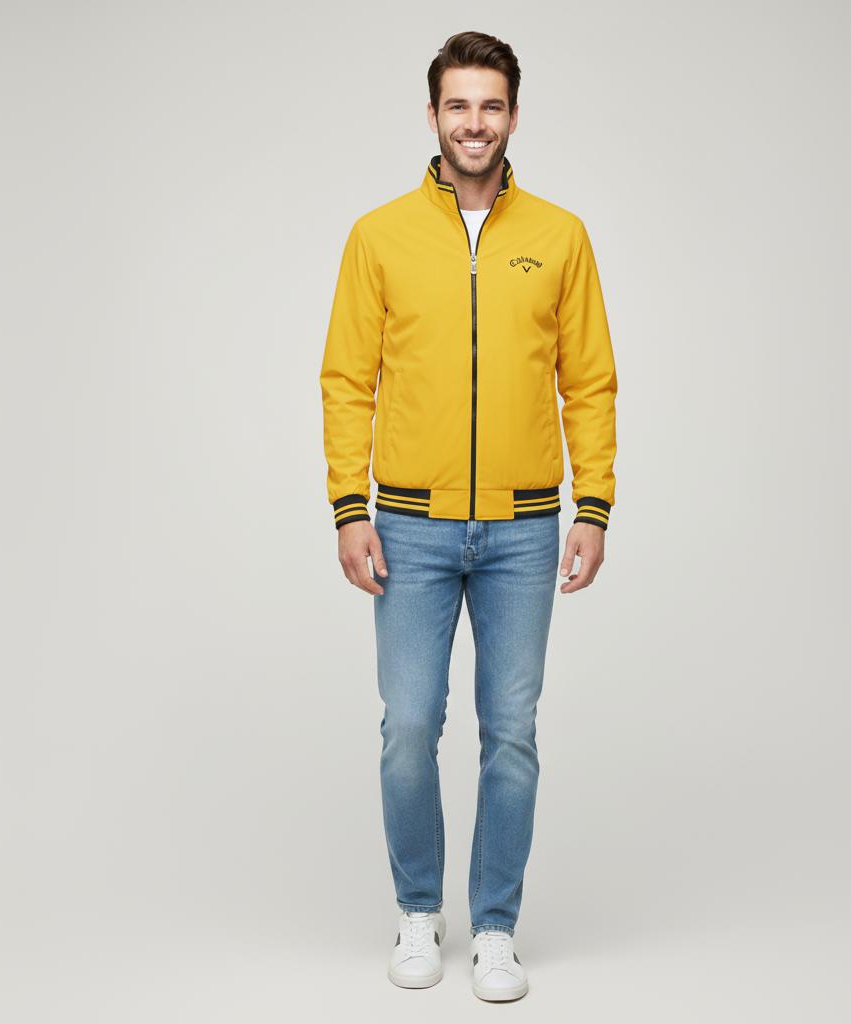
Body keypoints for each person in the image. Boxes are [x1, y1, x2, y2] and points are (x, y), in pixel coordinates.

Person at [320, 30, 617, 1002]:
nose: (475, 122)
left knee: (511, 731)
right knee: (408, 726)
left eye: (491, 105)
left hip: (525, 531)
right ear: (433, 115)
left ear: (513, 116)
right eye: (459, 105)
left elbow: (589, 381)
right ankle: (419, 910)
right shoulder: (379, 236)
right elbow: (346, 380)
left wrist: (593, 506)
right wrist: (349, 508)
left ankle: (494, 927)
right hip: (408, 526)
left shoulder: (561, 236)